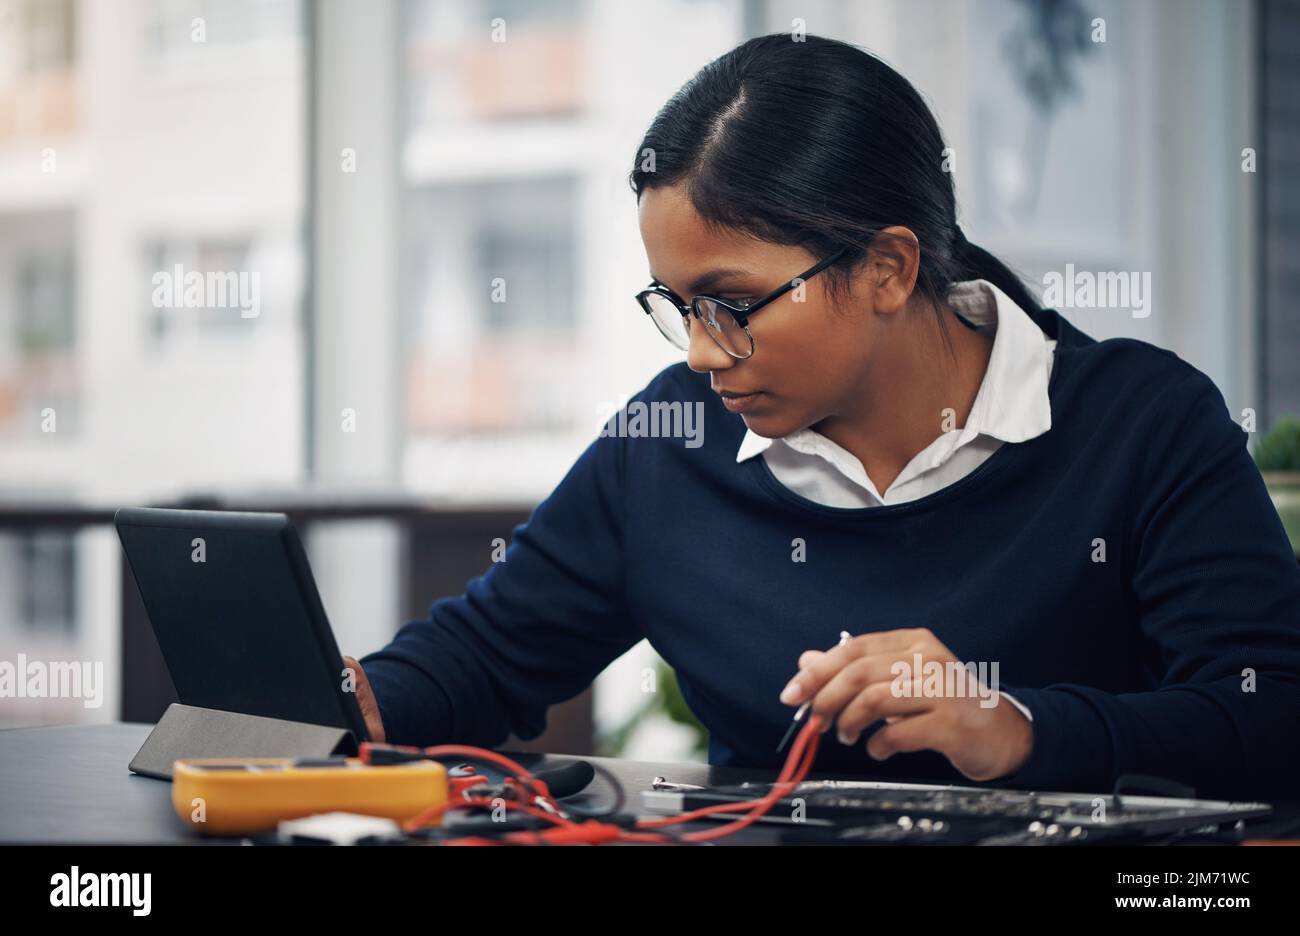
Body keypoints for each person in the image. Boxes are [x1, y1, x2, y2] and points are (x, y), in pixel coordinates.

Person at [346, 34, 1300, 799]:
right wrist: (345, 697)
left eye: (732, 303)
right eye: (678, 306)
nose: (701, 353)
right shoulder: (673, 440)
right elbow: (478, 658)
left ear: (887, 267)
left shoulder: (1140, 424)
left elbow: (1271, 715)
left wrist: (1017, 728)